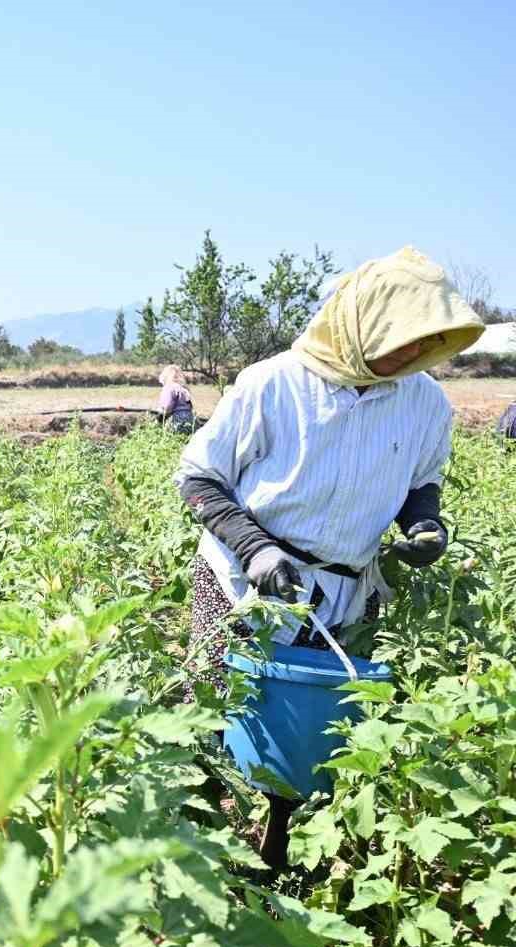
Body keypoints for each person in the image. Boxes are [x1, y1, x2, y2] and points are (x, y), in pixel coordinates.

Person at [176, 245, 484, 870]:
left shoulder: (422, 399)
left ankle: (282, 856)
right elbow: (199, 480)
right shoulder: (274, 384)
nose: (409, 355)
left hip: (344, 588)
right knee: (217, 714)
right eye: (399, 339)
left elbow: (421, 482)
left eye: (425, 343)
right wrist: (255, 546)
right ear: (359, 321)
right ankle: (201, 850)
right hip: (242, 579)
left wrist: (424, 524)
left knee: (310, 728)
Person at [155, 364, 196, 433]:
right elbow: (190, 406)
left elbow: (167, 408)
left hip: (177, 420)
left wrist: (159, 419)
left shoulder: (169, 388)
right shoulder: (184, 389)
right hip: (190, 420)